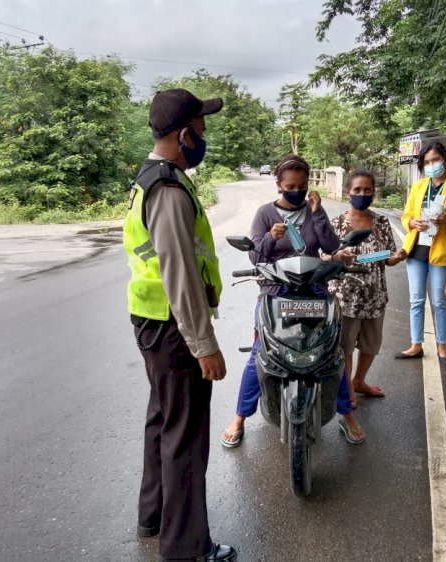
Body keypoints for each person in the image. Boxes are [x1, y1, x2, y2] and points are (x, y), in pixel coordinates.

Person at [124, 88, 236, 561]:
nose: (205, 137)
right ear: (185, 133)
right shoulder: (168, 188)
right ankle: (187, 548)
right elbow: (180, 272)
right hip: (173, 326)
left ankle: (154, 516)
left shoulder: (151, 176)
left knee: (163, 421)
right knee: (186, 436)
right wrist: (204, 343)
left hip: (152, 320)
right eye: (202, 128)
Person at [220, 154, 366, 448]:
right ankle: (239, 416)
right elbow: (256, 255)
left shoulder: (314, 211)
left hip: (314, 291)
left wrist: (319, 213)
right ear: (278, 185)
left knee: (331, 353)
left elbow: (330, 247)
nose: (296, 191)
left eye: (302, 185)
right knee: (260, 353)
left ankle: (347, 415)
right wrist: (271, 239)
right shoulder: (265, 214)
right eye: (290, 186)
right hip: (277, 292)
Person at [329, 169, 404, 408]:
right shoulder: (338, 223)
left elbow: (387, 256)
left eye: (367, 190)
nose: (362, 194)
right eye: (357, 190)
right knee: (346, 345)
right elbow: (327, 256)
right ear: (348, 192)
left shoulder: (381, 222)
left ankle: (360, 380)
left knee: (371, 344)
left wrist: (397, 257)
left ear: (373, 192)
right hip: (345, 296)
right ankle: (348, 388)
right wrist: (338, 256)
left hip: (374, 295)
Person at [395, 141, 446, 366]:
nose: (431, 165)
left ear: (445, 160)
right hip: (417, 248)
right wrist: (412, 222)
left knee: (440, 301)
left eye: (435, 160)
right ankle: (416, 344)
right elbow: (405, 216)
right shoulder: (419, 187)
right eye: (427, 162)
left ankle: (443, 347)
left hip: (442, 250)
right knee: (416, 300)